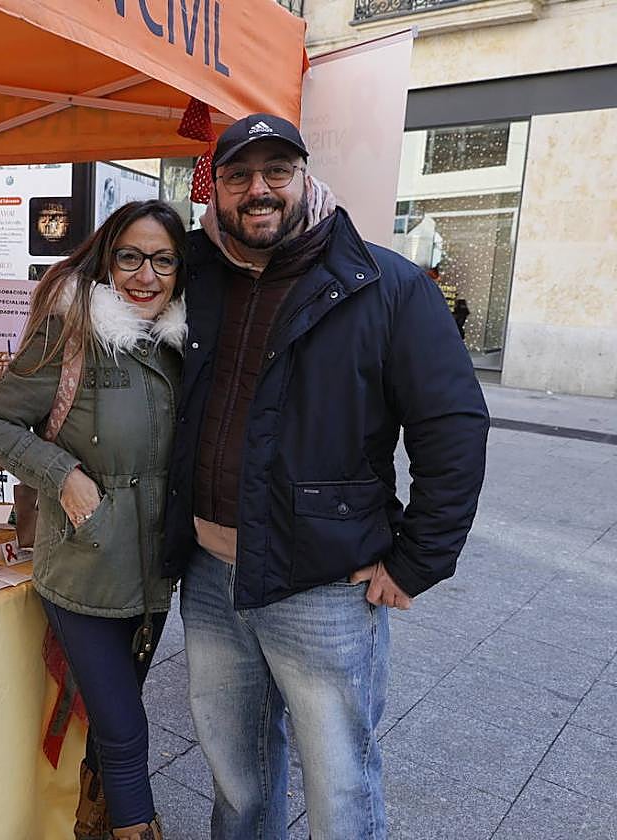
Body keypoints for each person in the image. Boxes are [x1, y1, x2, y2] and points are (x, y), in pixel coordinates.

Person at [163, 113, 490, 840]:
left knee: (340, 791)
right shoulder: (198, 278)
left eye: (277, 171)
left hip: (323, 586)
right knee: (237, 783)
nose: (260, 190)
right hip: (211, 579)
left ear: (305, 177)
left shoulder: (386, 284)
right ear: (216, 189)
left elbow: (453, 426)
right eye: (241, 175)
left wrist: (417, 561)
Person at [0, 200, 188, 840]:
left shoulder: (181, 344)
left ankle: (89, 821)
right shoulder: (70, 332)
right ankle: (135, 828)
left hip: (154, 573)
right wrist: (60, 474)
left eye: (163, 261)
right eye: (130, 256)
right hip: (85, 568)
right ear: (106, 261)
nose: (145, 275)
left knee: (113, 721)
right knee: (124, 725)